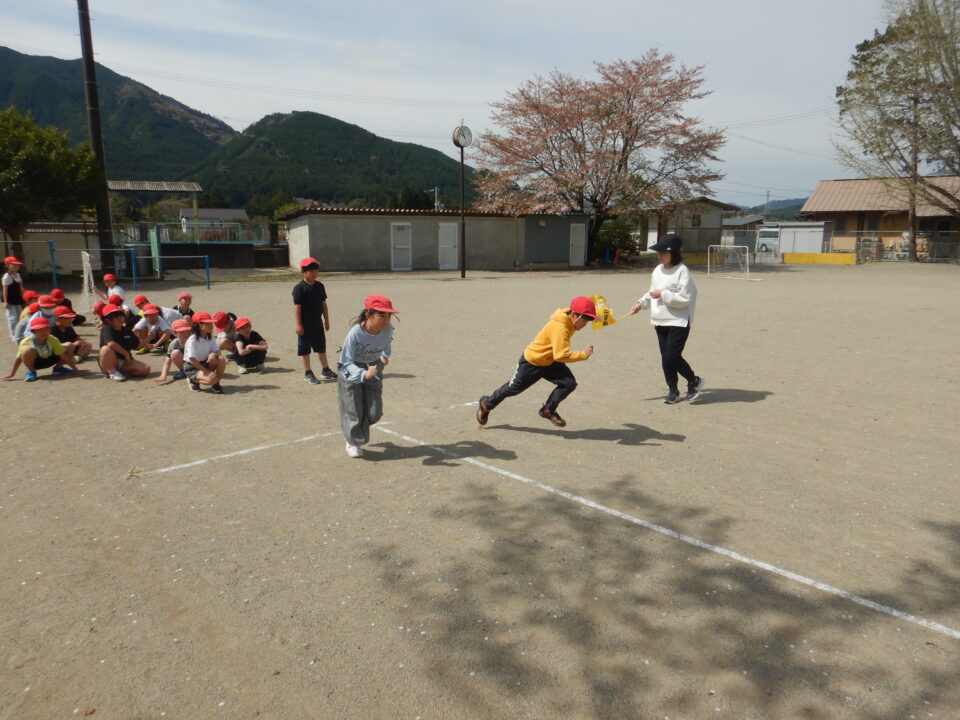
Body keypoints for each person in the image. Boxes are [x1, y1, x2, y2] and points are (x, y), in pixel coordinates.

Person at [477, 296, 597, 428]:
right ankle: (486, 404)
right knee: (513, 389)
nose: (585, 324)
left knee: (569, 384)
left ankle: (548, 410)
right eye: (584, 320)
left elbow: (557, 354)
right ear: (573, 314)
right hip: (533, 363)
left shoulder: (569, 320)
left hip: (550, 361)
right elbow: (560, 355)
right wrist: (583, 355)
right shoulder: (560, 328)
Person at [628, 233, 704, 404]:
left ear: (673, 253)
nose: (659, 256)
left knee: (672, 356)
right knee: (665, 359)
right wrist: (640, 303)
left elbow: (686, 297)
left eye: (663, 253)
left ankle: (694, 380)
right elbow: (651, 292)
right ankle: (672, 390)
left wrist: (663, 294)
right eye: (659, 252)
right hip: (660, 320)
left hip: (679, 320)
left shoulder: (682, 271)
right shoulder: (657, 270)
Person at [337, 294, 398, 458]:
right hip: (352, 371)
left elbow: (386, 343)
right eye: (381, 315)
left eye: (389, 316)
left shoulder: (388, 329)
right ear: (368, 315)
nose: (386, 320)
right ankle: (352, 441)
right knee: (354, 410)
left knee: (374, 413)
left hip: (374, 367)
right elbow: (344, 362)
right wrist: (363, 373)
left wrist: (384, 355)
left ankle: (356, 428)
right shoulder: (355, 334)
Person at [293, 257, 335, 384]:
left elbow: (323, 304)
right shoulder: (299, 288)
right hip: (305, 325)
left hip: (317, 323)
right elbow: (297, 307)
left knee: (321, 347)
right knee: (305, 349)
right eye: (311, 270)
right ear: (303, 272)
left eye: (316, 270)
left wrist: (326, 320)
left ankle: (325, 370)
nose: (315, 273)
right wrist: (298, 325)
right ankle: (308, 373)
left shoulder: (320, 286)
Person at [3, 316, 83, 382]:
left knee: (68, 345)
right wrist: (12, 373)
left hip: (50, 359)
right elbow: (19, 358)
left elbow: (63, 355)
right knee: (27, 350)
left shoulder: (52, 339)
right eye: (40, 330)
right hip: (36, 363)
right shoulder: (26, 341)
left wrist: (76, 370)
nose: (44, 332)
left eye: (46, 329)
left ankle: (59, 368)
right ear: (33, 332)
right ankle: (31, 371)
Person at [98, 304, 150, 382]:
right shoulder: (106, 328)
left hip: (124, 362)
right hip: (110, 360)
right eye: (116, 317)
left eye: (121, 315)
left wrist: (149, 337)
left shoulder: (126, 330)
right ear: (108, 321)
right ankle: (112, 372)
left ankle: (120, 372)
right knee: (105, 349)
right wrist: (126, 354)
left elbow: (137, 347)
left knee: (145, 369)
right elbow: (111, 343)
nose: (120, 318)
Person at [183, 311, 226, 393]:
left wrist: (213, 354)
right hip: (192, 366)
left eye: (211, 323)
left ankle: (216, 383)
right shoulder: (192, 340)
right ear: (198, 325)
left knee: (221, 359)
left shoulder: (210, 337)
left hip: (205, 362)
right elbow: (192, 360)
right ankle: (193, 380)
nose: (211, 326)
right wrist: (207, 372)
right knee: (210, 380)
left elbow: (217, 351)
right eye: (207, 323)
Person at [153, 318, 193, 383]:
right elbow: (167, 362)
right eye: (181, 332)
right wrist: (163, 375)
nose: (186, 333)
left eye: (187, 331)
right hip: (187, 362)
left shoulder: (194, 340)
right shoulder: (174, 343)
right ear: (175, 333)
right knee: (175, 353)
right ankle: (184, 371)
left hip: (198, 362)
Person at [2, 256, 27, 342]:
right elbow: (5, 289)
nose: (16, 267)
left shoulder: (18, 275)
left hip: (18, 299)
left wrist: (25, 296)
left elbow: (21, 287)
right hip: (10, 300)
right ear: (8, 265)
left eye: (17, 265)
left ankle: (20, 332)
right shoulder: (7, 276)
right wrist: (5, 301)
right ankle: (12, 333)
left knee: (20, 315)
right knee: (12, 317)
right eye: (14, 265)